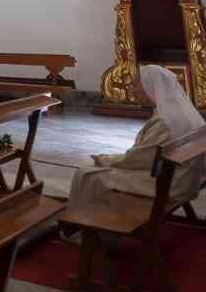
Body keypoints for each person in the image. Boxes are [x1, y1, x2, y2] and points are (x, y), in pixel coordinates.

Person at [67, 65, 205, 208]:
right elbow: (147, 156)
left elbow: (137, 160)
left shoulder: (164, 121)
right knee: (96, 173)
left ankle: (84, 221)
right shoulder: (181, 111)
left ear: (150, 86)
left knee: (87, 175)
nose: (132, 90)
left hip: (171, 184)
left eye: (136, 85)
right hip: (184, 178)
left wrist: (107, 159)